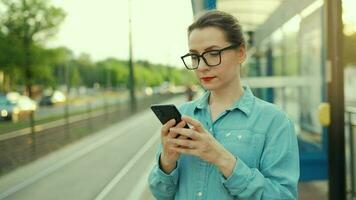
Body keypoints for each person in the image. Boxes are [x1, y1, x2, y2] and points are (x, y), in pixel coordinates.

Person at [148, 10, 299, 200]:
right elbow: (160, 193)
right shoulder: (184, 114)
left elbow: (284, 197)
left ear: (241, 53)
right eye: (195, 56)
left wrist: (222, 158)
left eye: (213, 53)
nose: (202, 66)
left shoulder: (275, 121)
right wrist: (167, 162)